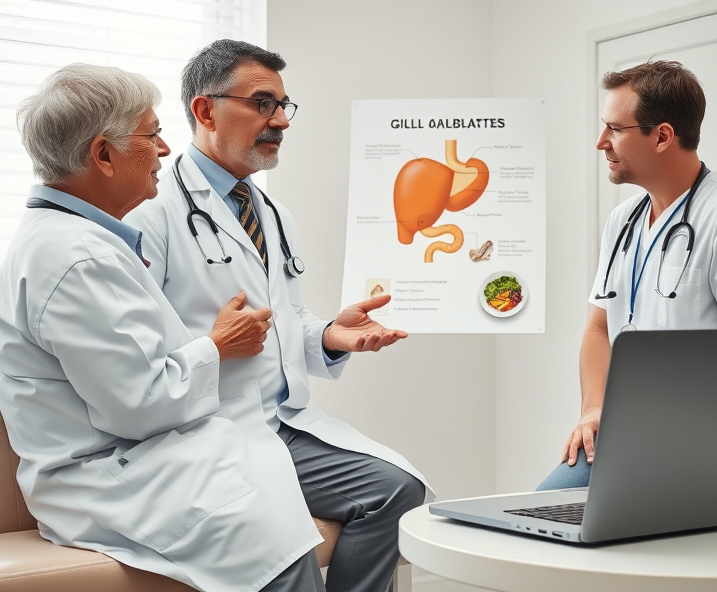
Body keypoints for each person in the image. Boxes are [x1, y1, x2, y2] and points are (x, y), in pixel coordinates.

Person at [0, 63, 339, 591]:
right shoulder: (76, 256)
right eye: (151, 134)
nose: (164, 149)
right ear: (103, 155)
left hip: (153, 450)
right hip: (109, 472)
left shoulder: (82, 240)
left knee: (293, 509)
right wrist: (216, 345)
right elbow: (140, 404)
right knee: (276, 544)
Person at [123, 39, 432, 592]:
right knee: (286, 540)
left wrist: (331, 336)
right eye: (263, 104)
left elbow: (285, 320)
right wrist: (215, 344)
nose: (281, 121)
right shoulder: (151, 210)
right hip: (199, 430)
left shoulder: (271, 211)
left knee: (396, 490)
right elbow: (132, 351)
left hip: (274, 422)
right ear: (204, 110)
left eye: (284, 106)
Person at [538, 61, 717, 491]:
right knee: (542, 516)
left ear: (663, 136)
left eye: (615, 129)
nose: (601, 143)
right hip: (624, 434)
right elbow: (599, 327)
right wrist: (593, 409)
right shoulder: (624, 219)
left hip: (697, 444)